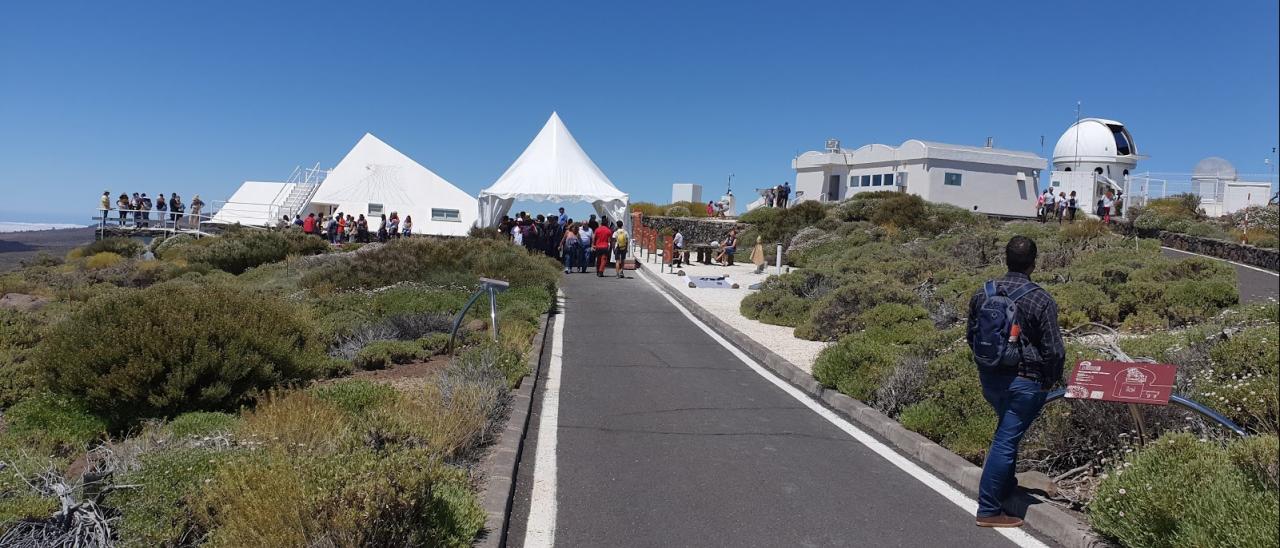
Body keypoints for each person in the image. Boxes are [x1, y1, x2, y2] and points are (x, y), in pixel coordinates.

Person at [965, 236, 1063, 528]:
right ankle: (989, 508)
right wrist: (1049, 380)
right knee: (1006, 442)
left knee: (1005, 434)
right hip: (1025, 382)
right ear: (1034, 262)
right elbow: (1054, 350)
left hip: (990, 378)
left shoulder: (983, 293)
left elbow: (971, 336)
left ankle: (1004, 490)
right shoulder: (1040, 299)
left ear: (1005, 259)